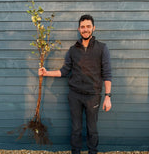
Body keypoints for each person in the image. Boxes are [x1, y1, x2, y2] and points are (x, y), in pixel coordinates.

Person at [38, 14, 112, 154]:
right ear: (79, 29)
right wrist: (46, 73)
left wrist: (107, 96)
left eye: (88, 26)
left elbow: (107, 74)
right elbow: (64, 71)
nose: (85, 29)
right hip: (75, 96)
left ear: (93, 28)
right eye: (83, 27)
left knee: (92, 128)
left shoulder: (102, 48)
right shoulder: (73, 50)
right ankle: (75, 151)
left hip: (93, 95)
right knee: (76, 128)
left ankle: (93, 151)